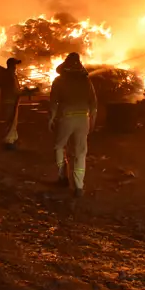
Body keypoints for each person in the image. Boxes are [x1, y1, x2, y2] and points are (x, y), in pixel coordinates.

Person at [49, 52, 97, 197]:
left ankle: (62, 177)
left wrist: (51, 119)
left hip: (66, 119)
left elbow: (53, 103)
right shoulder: (86, 81)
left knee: (59, 147)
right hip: (83, 119)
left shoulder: (59, 81)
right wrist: (92, 121)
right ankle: (79, 187)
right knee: (80, 153)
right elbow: (94, 104)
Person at [1, 57, 22, 150]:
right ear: (11, 65)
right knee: (10, 121)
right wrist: (24, 92)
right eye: (15, 65)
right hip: (10, 101)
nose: (16, 67)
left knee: (12, 121)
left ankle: (13, 139)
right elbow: (14, 90)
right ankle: (9, 142)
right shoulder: (9, 75)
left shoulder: (10, 74)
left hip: (10, 100)